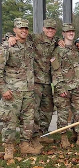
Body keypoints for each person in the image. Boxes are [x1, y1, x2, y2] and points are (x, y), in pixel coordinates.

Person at [0, 18, 41, 159]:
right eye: (20, 28)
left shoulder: (29, 45)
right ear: (14, 30)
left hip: (28, 90)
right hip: (12, 91)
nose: (23, 30)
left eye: (26, 28)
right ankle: (8, 149)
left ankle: (25, 145)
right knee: (9, 121)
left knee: (28, 121)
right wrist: (3, 89)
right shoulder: (7, 47)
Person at [50, 23, 79, 148]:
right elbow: (55, 70)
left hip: (77, 86)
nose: (71, 33)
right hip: (64, 87)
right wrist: (60, 88)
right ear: (63, 33)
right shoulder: (58, 50)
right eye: (68, 31)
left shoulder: (76, 49)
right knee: (63, 113)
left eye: (72, 31)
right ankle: (63, 136)